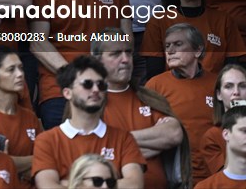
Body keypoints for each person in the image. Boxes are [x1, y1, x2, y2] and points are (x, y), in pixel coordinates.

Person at [30, 0, 133, 129]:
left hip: (107, 84)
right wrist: (74, 76)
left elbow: (126, 39)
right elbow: (37, 42)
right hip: (61, 85)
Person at [31, 56, 146, 187]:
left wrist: (69, 184)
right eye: (87, 84)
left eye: (101, 85)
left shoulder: (124, 138)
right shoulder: (47, 140)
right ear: (67, 93)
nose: (96, 89)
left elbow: (134, 185)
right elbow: (48, 186)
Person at [91, 30, 186, 189]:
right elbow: (87, 150)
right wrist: (150, 144)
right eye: (115, 54)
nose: (125, 60)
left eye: (128, 52)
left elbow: (174, 133)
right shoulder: (86, 101)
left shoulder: (149, 97)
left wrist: (115, 146)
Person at [142, 0, 246, 79]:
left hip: (214, 91)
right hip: (170, 92)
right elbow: (154, 72)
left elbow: (232, 68)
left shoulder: (224, 20)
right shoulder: (159, 21)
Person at [146, 23, 222, 182]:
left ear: (197, 50)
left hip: (214, 173)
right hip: (173, 175)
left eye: (178, 44)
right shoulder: (155, 85)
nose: (170, 50)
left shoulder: (219, 83)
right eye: (167, 46)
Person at [0, 47, 40, 182]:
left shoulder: (30, 117)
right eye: (11, 69)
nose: (20, 74)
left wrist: (11, 162)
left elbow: (48, 161)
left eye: (21, 68)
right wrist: (35, 160)